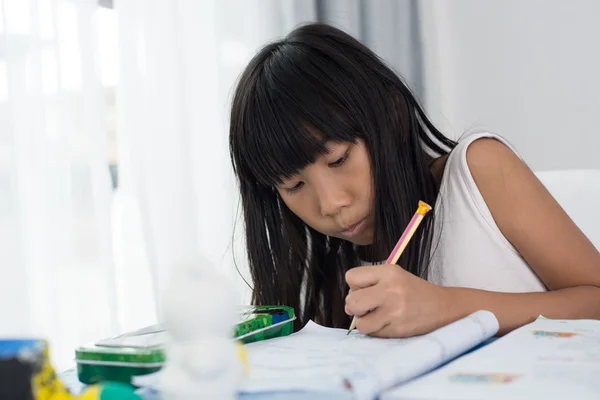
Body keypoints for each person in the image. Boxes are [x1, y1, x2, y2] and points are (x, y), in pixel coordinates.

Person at [228, 23, 600, 338]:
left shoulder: (480, 170)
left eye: (339, 159)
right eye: (294, 186)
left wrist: (449, 308)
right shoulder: (320, 269)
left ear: (390, 116)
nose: (330, 204)